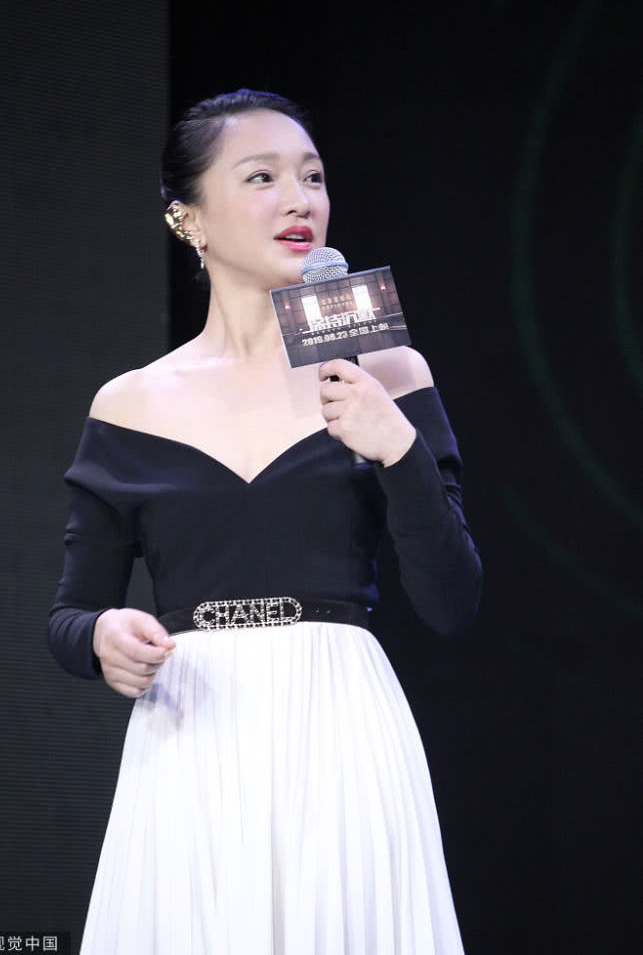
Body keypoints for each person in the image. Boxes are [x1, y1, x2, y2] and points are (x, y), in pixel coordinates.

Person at [49, 88, 482, 954]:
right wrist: (102, 636)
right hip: (191, 735)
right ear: (189, 219)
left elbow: (450, 601)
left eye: (312, 177)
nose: (299, 200)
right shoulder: (129, 403)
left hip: (339, 726)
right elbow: (70, 616)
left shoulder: (385, 370)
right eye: (262, 177)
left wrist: (396, 448)